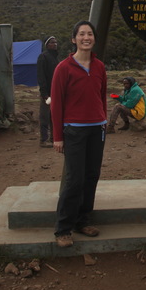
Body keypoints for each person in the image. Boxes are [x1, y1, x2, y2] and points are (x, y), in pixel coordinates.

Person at [50, 20, 108, 248]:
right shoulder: (63, 68)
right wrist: (57, 136)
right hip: (74, 130)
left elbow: (101, 96)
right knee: (74, 180)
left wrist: (103, 121)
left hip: (97, 129)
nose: (86, 38)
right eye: (82, 34)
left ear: (94, 39)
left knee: (91, 176)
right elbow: (56, 105)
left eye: (90, 34)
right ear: (74, 39)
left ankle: (83, 221)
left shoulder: (99, 66)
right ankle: (63, 228)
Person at [36, 36, 60, 148]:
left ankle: (53, 138)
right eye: (52, 42)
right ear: (47, 45)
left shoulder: (55, 58)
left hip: (56, 92)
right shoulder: (43, 57)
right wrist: (44, 93)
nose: (55, 44)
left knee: (54, 115)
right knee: (45, 116)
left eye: (55, 42)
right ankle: (43, 140)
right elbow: (41, 76)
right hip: (47, 93)